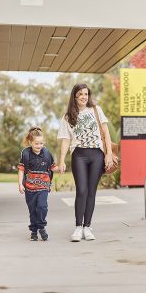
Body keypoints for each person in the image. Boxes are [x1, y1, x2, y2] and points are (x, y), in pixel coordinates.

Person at [57, 84, 115, 242]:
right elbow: (66, 140)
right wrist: (61, 160)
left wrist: (109, 153)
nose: (83, 97)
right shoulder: (68, 116)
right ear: (74, 96)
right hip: (79, 155)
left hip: (97, 154)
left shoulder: (96, 110)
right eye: (80, 94)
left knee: (91, 191)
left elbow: (105, 133)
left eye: (86, 94)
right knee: (81, 190)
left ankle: (87, 227)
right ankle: (78, 227)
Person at [18, 127, 58, 241]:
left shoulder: (46, 153)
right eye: (36, 144)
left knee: (42, 206)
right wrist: (20, 184)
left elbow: (52, 167)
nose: (39, 146)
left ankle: (42, 227)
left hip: (43, 186)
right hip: (30, 187)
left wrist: (59, 168)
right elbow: (21, 169)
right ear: (30, 142)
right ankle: (34, 231)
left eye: (41, 143)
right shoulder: (25, 154)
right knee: (32, 210)